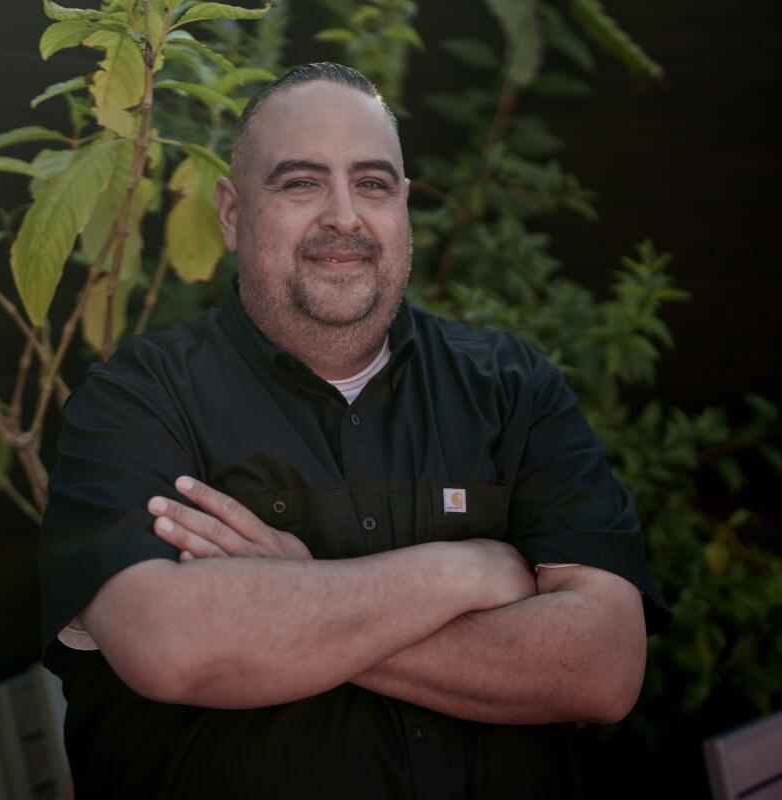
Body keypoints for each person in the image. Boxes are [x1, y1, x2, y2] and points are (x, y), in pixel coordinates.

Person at [39, 62, 668, 799]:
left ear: (403, 205)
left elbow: (604, 665)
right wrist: (461, 571)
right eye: (301, 183)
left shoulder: (510, 388)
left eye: (372, 184)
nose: (344, 215)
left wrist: (288, 600)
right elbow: (171, 645)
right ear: (234, 214)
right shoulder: (138, 402)